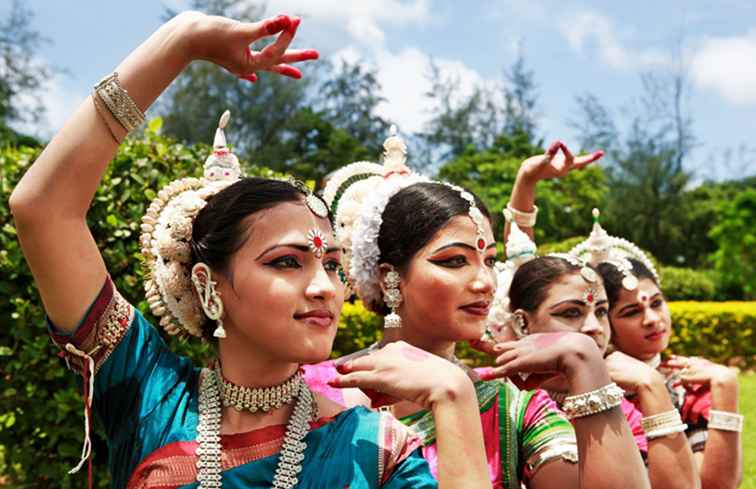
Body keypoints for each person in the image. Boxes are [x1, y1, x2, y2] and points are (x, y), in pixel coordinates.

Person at [8, 11, 492, 489]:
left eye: (330, 264)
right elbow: (42, 209)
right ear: (208, 283)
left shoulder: (375, 450)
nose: (324, 288)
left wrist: (454, 398)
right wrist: (182, 40)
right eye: (286, 262)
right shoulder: (149, 393)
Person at [305, 133, 650, 489]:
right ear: (391, 276)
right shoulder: (312, 391)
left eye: (489, 260)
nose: (485, 281)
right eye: (455, 261)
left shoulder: (511, 405)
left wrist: (586, 364)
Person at [505, 144, 743, 488]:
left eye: (599, 311)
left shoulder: (652, 392)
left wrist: (659, 386)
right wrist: (526, 181)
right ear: (520, 323)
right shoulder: (503, 396)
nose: (591, 327)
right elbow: (520, 268)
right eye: (630, 311)